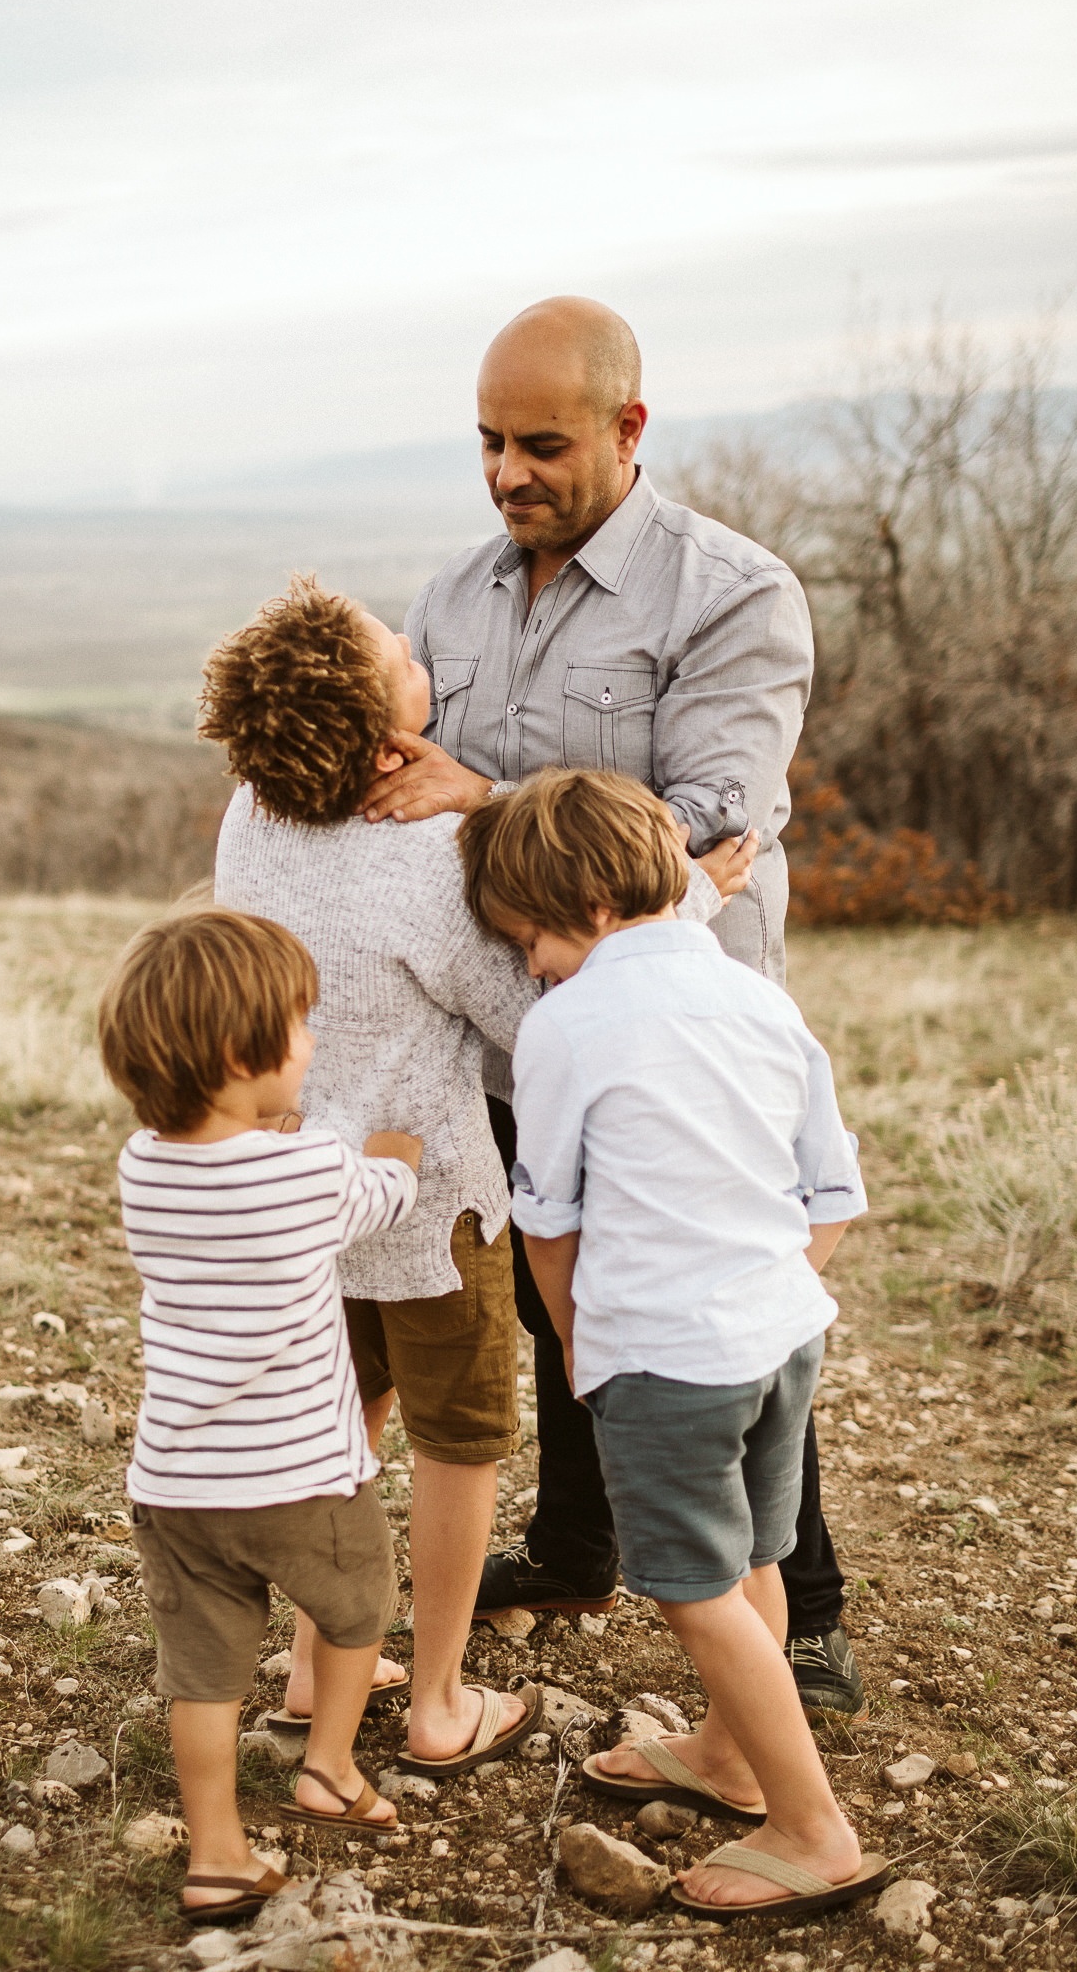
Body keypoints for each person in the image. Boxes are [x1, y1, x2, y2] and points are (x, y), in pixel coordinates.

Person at [362, 294, 862, 1718]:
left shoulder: (733, 593)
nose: (507, 471)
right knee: (549, 1284)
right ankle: (580, 1548)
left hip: (676, 1027)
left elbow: (710, 816)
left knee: (713, 1301)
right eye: (486, 443)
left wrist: (483, 799)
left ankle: (805, 1618)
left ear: (628, 430)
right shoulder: (453, 595)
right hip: (513, 1015)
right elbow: (408, 783)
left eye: (540, 443)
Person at [205, 575, 768, 1772]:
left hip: (302, 1189)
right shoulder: (427, 854)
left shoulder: (247, 820)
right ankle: (441, 1697)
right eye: (396, 651)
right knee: (460, 1445)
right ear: (392, 737)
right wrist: (692, 900)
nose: (415, 639)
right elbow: (539, 1003)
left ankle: (314, 1668)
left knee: (336, 1417)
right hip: (434, 1207)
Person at [457, 769, 886, 1918]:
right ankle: (732, 1753)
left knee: (693, 1588)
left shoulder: (564, 1026)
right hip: (784, 1331)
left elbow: (549, 1224)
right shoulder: (761, 1000)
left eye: (530, 938)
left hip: (665, 1354)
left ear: (587, 908)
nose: (530, 964)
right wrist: (760, 1295)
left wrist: (589, 1344)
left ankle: (812, 1825)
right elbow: (833, 1194)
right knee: (754, 1554)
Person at [98, 905, 421, 1923]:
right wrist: (400, 1152)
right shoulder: (313, 1165)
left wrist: (262, 1120)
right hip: (303, 1476)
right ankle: (327, 1765)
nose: (313, 1039)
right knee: (358, 1606)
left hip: (180, 1483)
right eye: (299, 1023)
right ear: (241, 1053)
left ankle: (218, 1851)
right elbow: (383, 1192)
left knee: (203, 1670)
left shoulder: (143, 1168)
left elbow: (231, 1174)